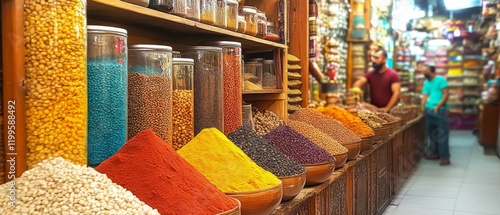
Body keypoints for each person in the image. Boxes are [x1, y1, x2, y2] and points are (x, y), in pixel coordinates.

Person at [353, 46, 401, 112]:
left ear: (384, 59)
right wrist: (358, 95)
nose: (373, 60)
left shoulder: (393, 74)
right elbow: (358, 83)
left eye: (376, 58)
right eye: (373, 57)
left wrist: (387, 108)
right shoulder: (371, 74)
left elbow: (396, 93)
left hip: (389, 112)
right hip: (374, 111)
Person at [421, 65, 450, 166]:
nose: (424, 72)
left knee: (442, 134)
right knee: (432, 133)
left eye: (425, 70)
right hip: (429, 110)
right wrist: (422, 106)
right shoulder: (426, 83)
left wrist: (438, 106)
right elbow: (425, 96)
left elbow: (446, 93)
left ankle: (445, 157)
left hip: (439, 110)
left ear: (430, 70)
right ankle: (434, 153)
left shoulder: (440, 80)